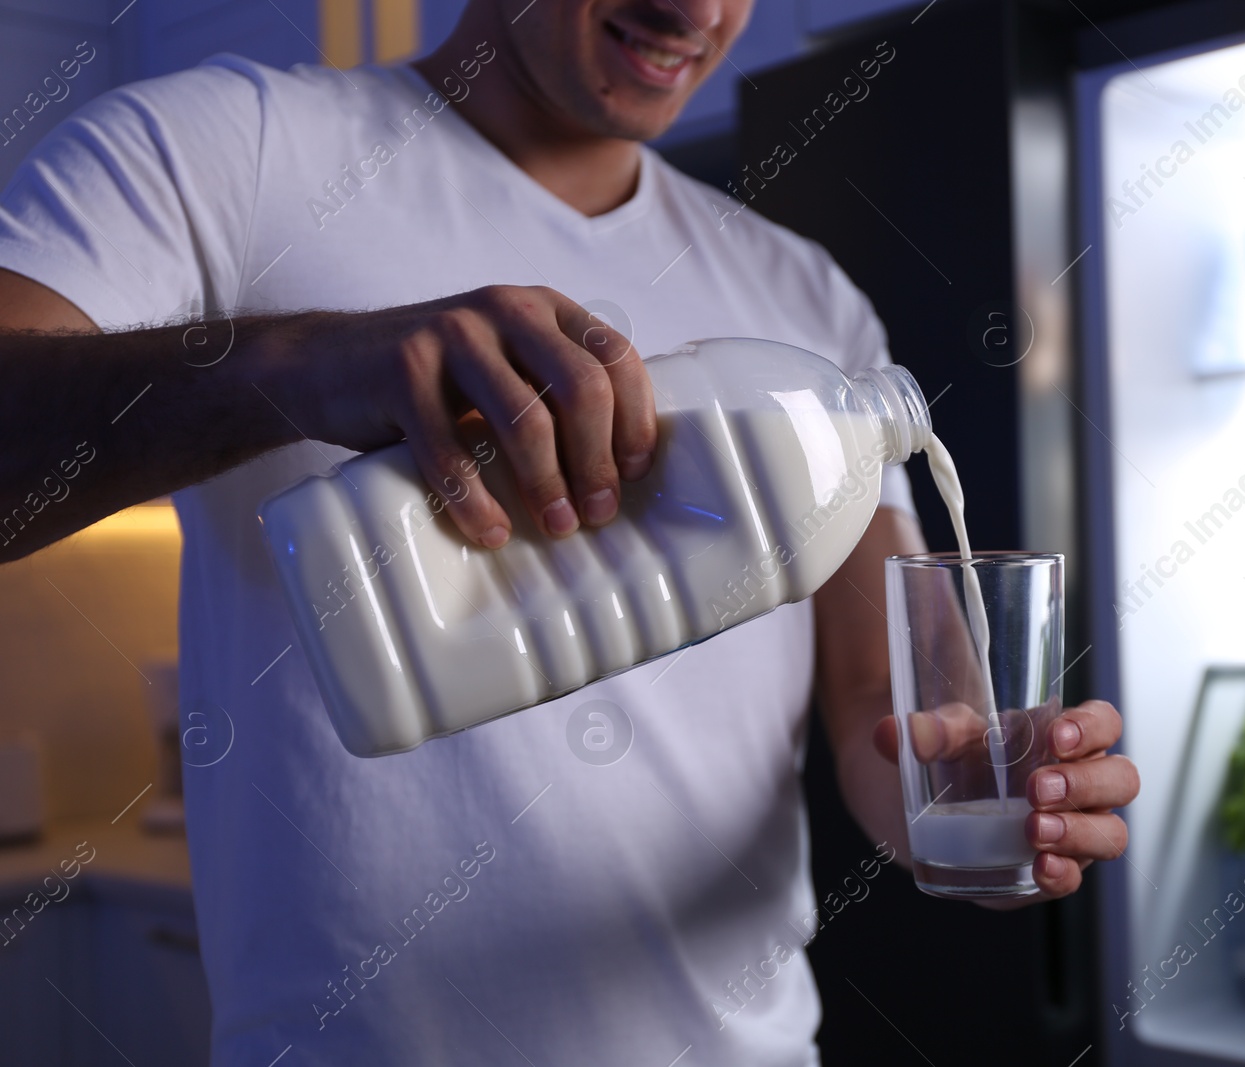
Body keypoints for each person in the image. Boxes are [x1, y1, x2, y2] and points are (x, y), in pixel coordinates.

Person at [0, 0, 1140, 1062]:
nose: (694, 12)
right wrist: (297, 364)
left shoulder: (804, 294)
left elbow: (884, 718)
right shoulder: (222, 150)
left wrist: (994, 812)